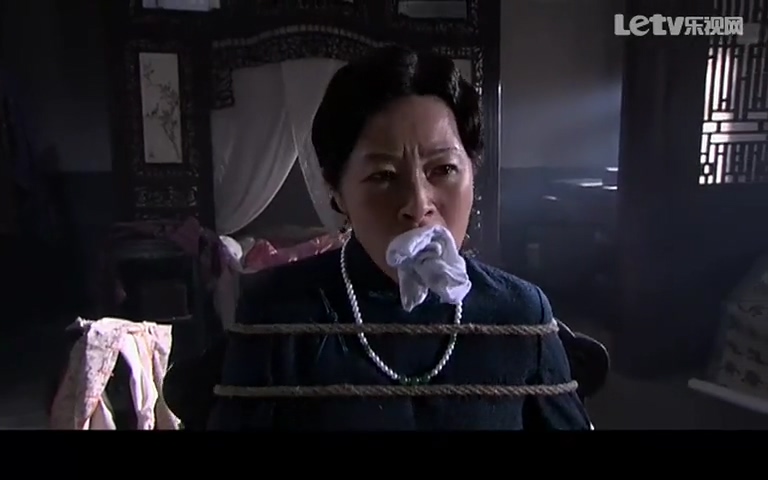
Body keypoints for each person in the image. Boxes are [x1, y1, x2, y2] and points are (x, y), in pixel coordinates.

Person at [207, 45, 593, 430]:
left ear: (473, 173)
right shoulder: (279, 315)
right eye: (383, 176)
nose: (417, 204)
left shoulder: (520, 314)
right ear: (336, 191)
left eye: (443, 169)